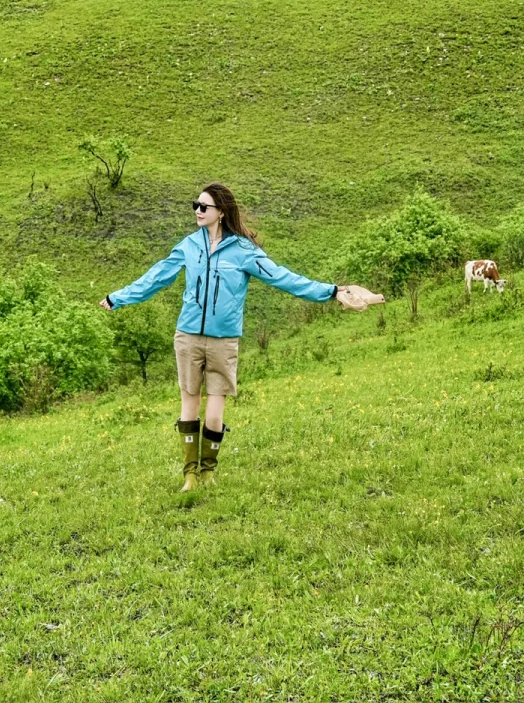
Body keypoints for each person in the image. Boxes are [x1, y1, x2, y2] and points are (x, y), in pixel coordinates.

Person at [100, 181, 383, 491]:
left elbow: (283, 277)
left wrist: (331, 292)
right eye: (195, 205)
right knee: (189, 404)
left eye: (204, 207)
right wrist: (119, 297)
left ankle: (208, 471)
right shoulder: (188, 246)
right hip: (188, 336)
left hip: (224, 340)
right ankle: (190, 475)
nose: (197, 211)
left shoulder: (244, 251)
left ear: (221, 212)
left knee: (216, 407)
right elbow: (156, 277)